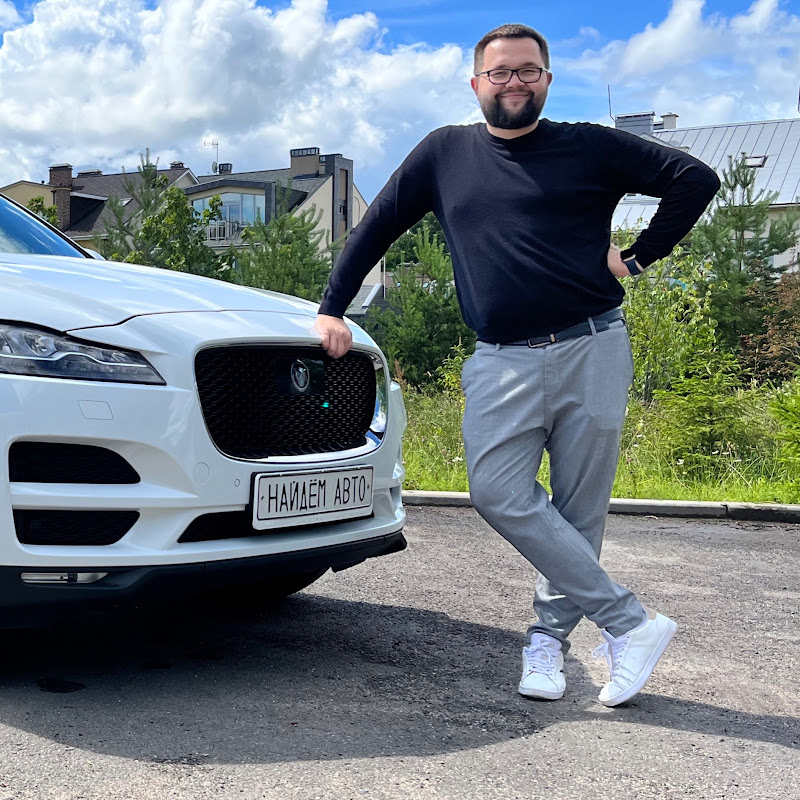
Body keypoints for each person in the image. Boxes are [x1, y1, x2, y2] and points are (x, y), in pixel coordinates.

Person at [315, 23, 720, 706]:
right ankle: (629, 623)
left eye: (528, 70)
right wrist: (332, 308)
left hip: (593, 345)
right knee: (497, 491)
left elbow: (695, 179)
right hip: (500, 359)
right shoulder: (444, 153)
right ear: (477, 82)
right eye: (500, 72)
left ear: (547, 80)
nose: (514, 82)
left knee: (579, 509)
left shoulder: (589, 145)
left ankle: (548, 643)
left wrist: (639, 256)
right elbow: (376, 225)